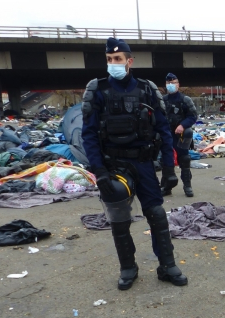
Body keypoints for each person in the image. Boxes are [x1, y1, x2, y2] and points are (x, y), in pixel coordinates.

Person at [81, 38, 188, 290]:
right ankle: (128, 268)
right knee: (119, 219)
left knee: (157, 214)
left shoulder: (147, 89)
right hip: (113, 165)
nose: (113, 64)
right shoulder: (96, 90)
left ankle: (167, 265)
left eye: (117, 59)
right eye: (109, 60)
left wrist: (170, 169)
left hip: (143, 163)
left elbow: (163, 129)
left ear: (129, 61)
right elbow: (88, 134)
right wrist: (99, 172)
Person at [160, 73, 198, 197]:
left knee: (184, 159)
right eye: (169, 83)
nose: (171, 85)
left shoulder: (185, 99)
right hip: (166, 134)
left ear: (178, 84)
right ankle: (166, 187)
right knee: (166, 160)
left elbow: (193, 116)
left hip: (181, 134)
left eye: (174, 82)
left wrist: (182, 125)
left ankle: (187, 186)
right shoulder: (162, 100)